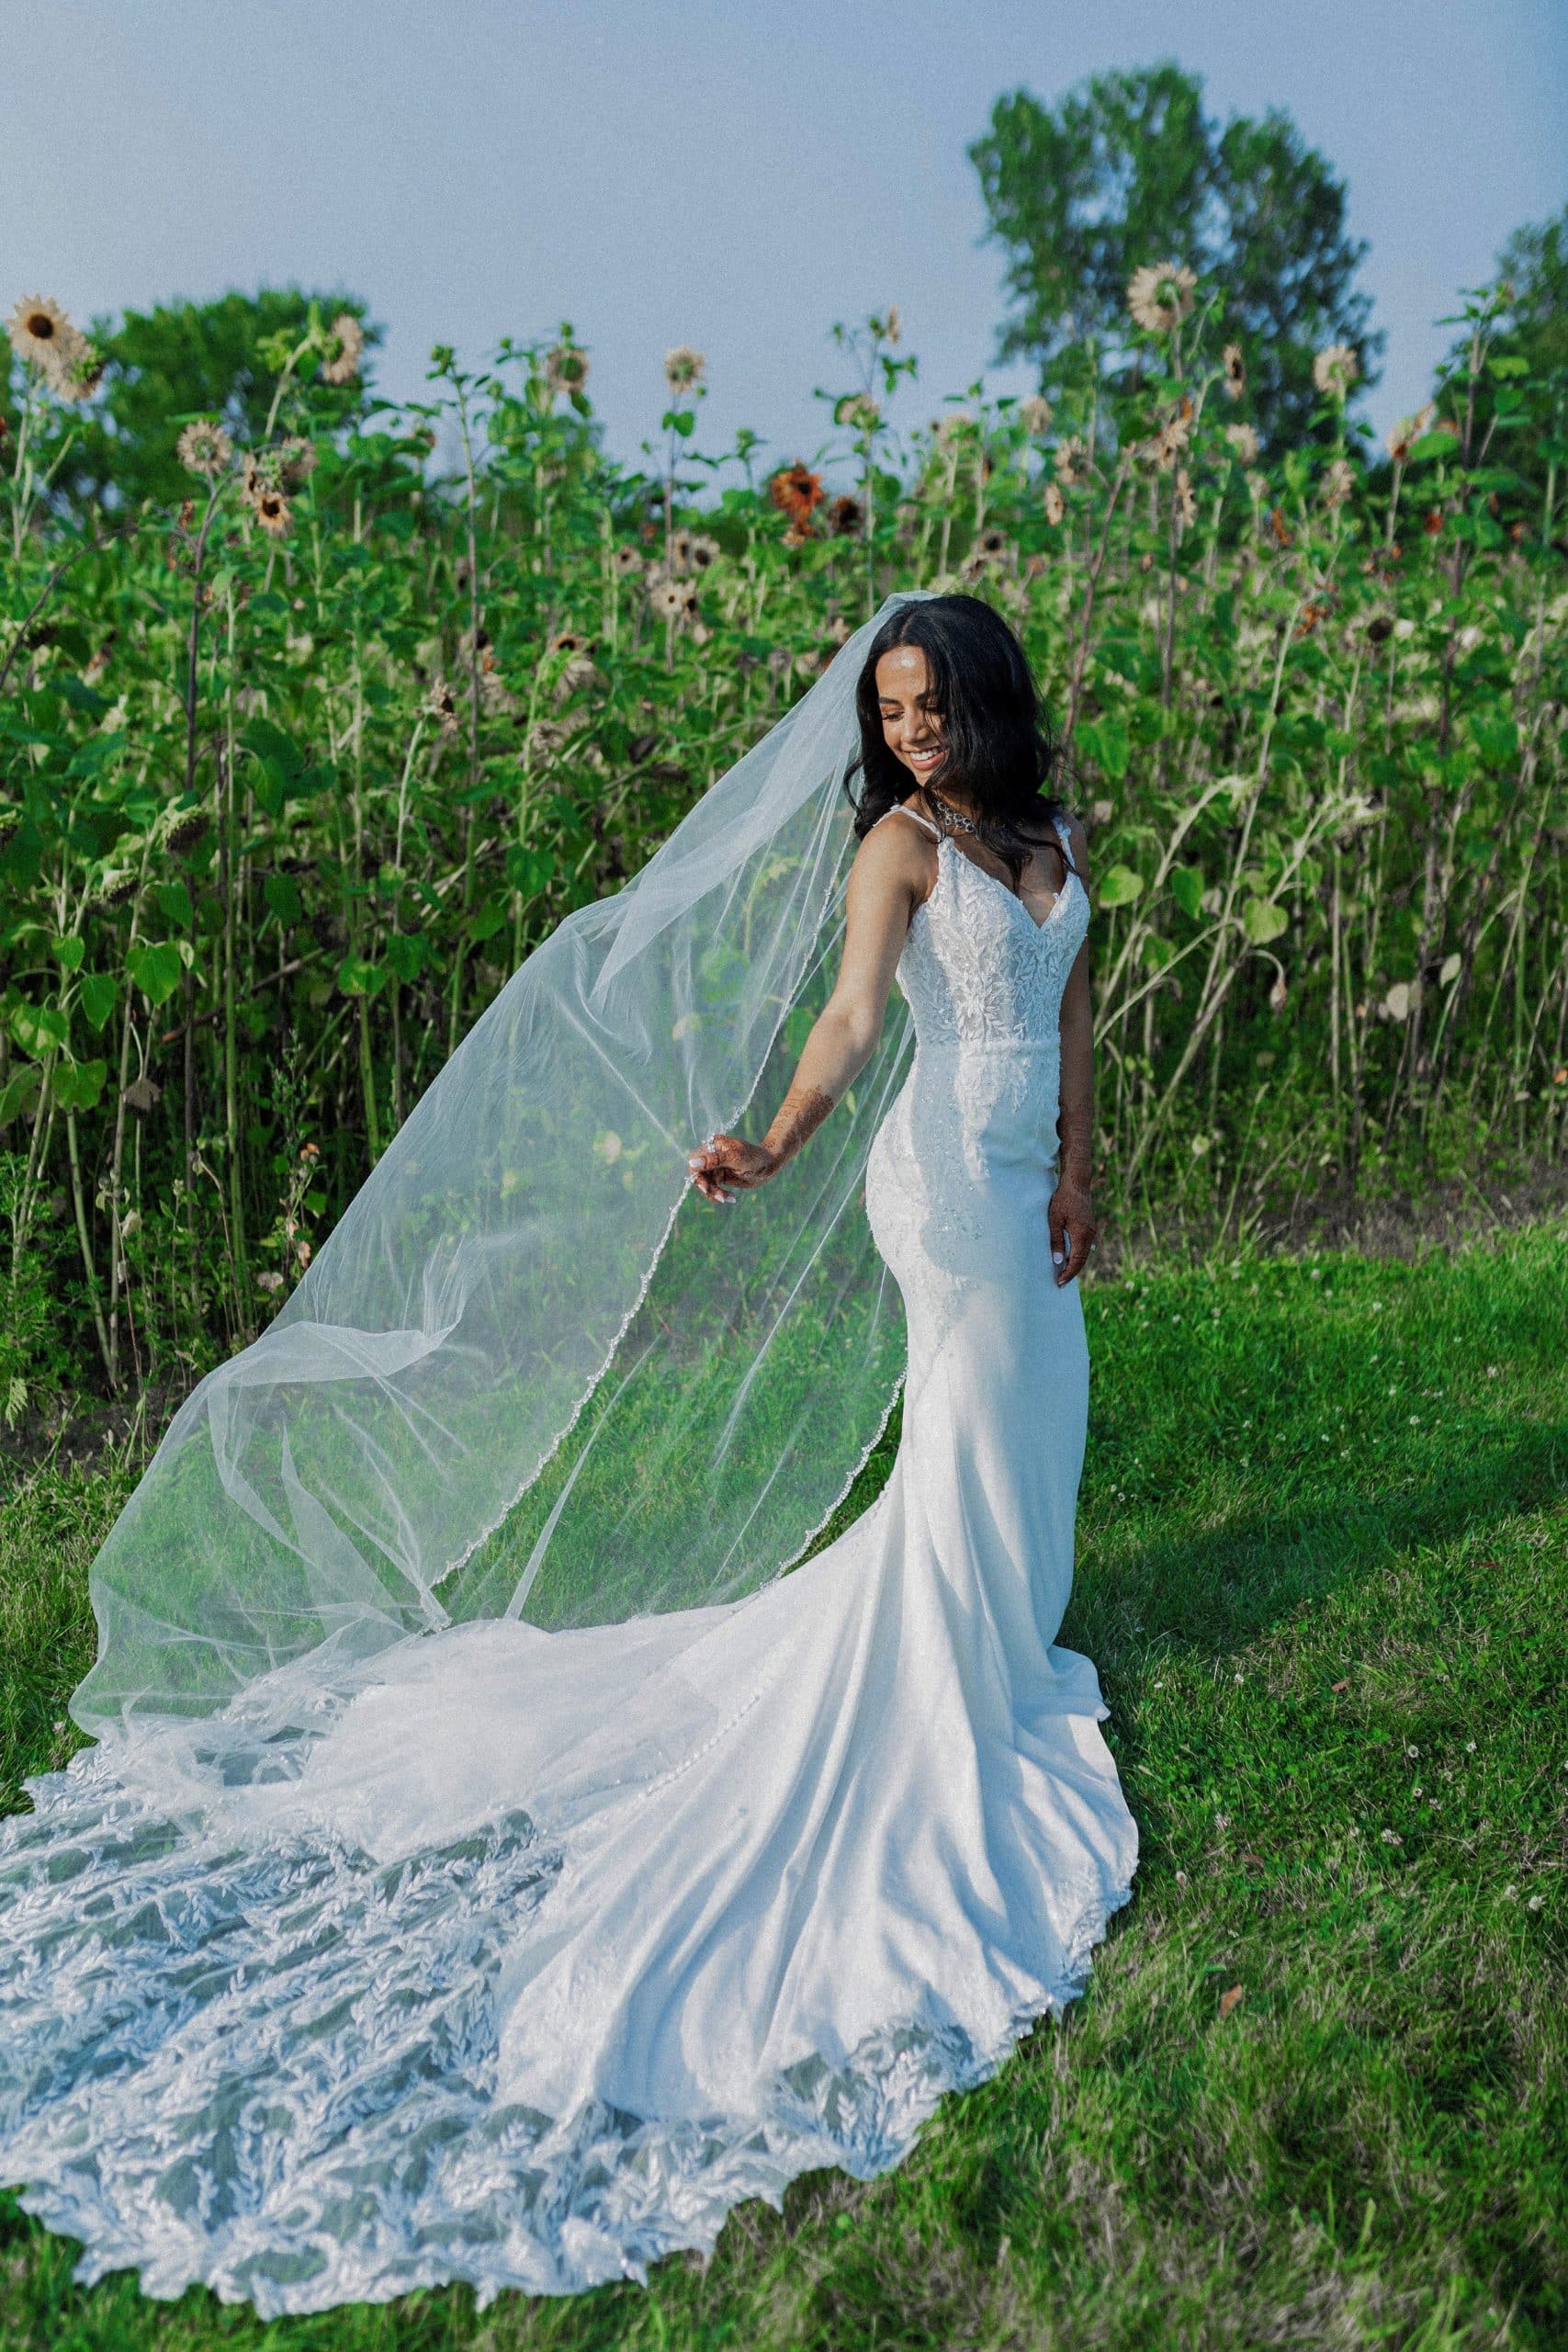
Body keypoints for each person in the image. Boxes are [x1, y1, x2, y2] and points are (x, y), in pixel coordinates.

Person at [0, 594, 1136, 2315]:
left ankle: (988, 1629)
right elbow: (847, 1022)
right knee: (977, 1414)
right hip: (933, 1191)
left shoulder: (1049, 833)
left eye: (929, 704)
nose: (907, 731)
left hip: (1021, 1184)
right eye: (888, 710)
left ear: (985, 697)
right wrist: (772, 1139)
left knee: (1033, 1426)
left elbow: (1065, 1019)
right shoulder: (900, 850)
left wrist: (1077, 1166)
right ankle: (954, 1679)